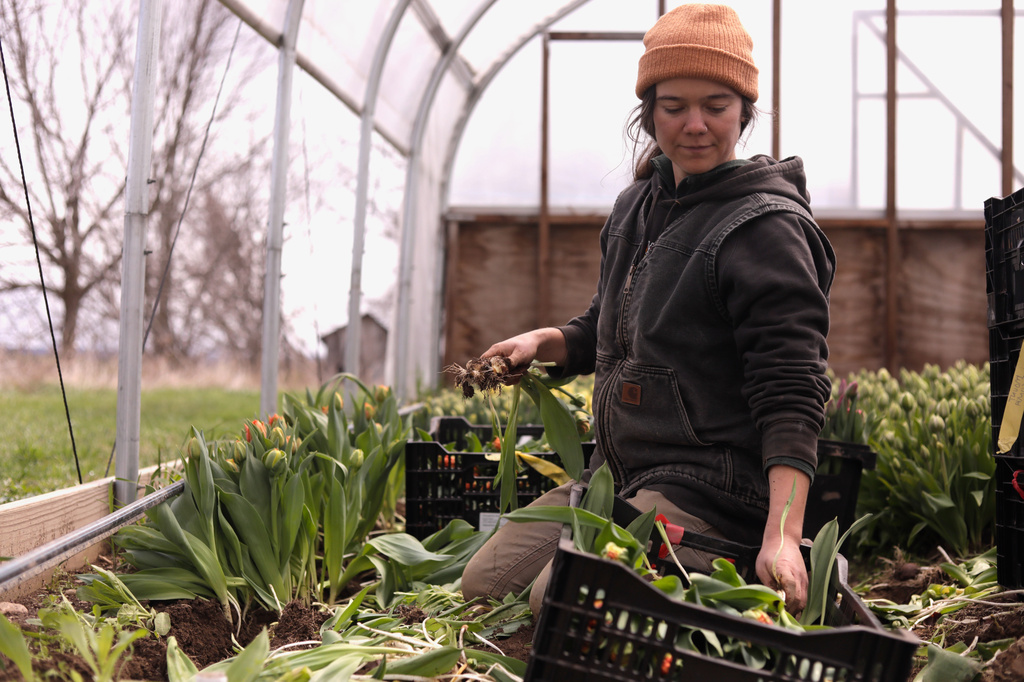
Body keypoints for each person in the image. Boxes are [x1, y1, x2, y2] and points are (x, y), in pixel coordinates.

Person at [461, 3, 835, 617]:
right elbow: (607, 327)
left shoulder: (766, 228)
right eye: (673, 106)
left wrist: (783, 537)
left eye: (715, 106)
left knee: (556, 599)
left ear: (744, 110)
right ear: (649, 110)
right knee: (486, 581)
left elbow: (791, 390)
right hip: (621, 478)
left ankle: (726, 560)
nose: (694, 125)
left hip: (715, 489)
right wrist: (544, 342)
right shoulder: (638, 205)